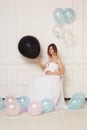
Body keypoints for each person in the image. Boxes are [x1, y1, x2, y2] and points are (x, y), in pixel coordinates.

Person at [29, 43, 67, 109]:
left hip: (54, 76)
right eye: (49, 49)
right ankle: (37, 100)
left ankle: (46, 101)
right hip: (47, 75)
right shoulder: (50, 59)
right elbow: (44, 68)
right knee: (36, 79)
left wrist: (51, 73)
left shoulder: (58, 59)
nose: (50, 50)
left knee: (45, 81)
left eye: (52, 48)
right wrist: (38, 62)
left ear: (55, 49)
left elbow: (62, 71)